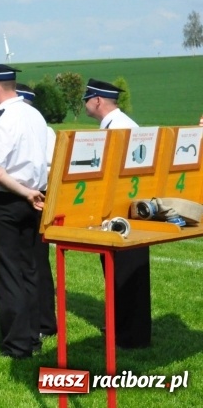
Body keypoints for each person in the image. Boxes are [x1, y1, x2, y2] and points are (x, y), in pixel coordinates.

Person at [0, 62, 48, 359]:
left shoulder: (2, 119)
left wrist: (23, 191)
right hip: (36, 200)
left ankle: (17, 343)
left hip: (9, 200)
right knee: (29, 271)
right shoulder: (35, 114)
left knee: (8, 275)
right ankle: (32, 336)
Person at [84, 78, 151, 349]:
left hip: (121, 212)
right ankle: (123, 327)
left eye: (86, 99)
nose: (86, 104)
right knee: (121, 273)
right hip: (128, 209)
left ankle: (128, 334)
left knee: (123, 273)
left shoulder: (117, 129)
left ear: (97, 100)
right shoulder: (124, 124)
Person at [16, 83, 58, 340]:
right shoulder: (47, 128)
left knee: (23, 264)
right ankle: (44, 320)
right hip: (42, 196)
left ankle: (33, 321)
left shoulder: (13, 125)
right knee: (40, 262)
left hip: (20, 196)